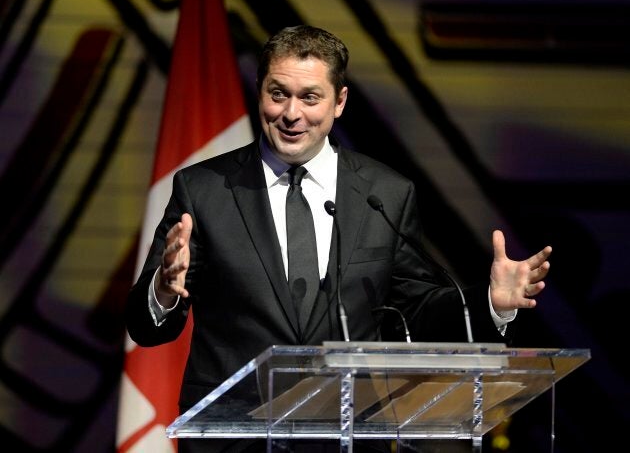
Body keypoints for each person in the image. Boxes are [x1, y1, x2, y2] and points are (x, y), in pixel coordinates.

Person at [125, 25, 552, 452]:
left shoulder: (384, 193)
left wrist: (491, 304)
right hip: (234, 439)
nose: (292, 113)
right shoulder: (203, 189)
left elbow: (417, 309)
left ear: (339, 102)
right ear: (260, 93)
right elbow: (145, 328)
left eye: (310, 97)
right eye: (278, 94)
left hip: (345, 437)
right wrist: (163, 290)